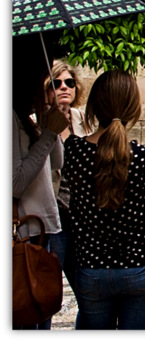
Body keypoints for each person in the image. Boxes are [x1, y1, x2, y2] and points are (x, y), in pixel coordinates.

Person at [63, 70, 145, 330]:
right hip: (138, 268)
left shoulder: (75, 152)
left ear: (94, 106)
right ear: (133, 108)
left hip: (91, 268)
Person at [12, 38, 70, 330]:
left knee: (42, 308)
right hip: (23, 231)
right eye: (46, 81)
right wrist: (48, 134)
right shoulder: (10, 118)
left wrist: (52, 125)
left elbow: (56, 162)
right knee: (26, 312)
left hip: (42, 227)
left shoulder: (27, 117)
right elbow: (15, 183)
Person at [42, 60, 92, 287]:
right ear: (47, 89)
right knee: (51, 278)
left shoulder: (82, 118)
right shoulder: (39, 121)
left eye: (69, 83)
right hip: (55, 212)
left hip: (82, 213)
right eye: (57, 83)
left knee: (83, 279)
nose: (64, 87)